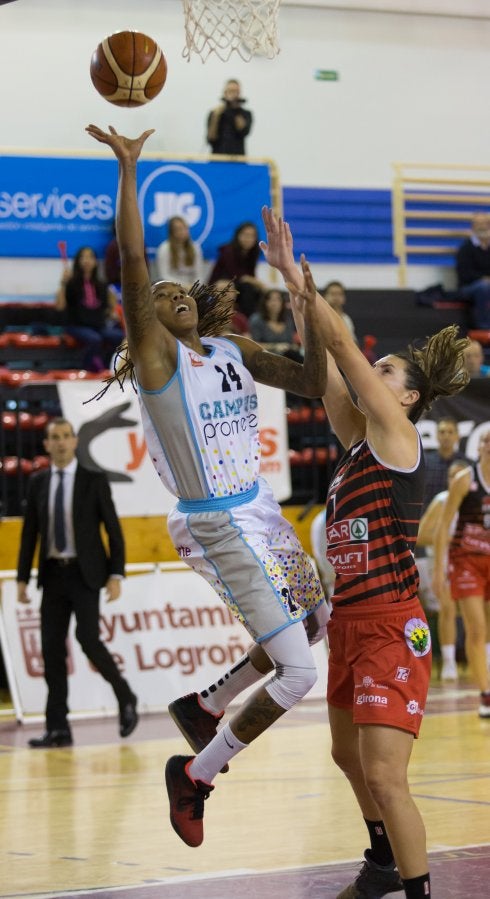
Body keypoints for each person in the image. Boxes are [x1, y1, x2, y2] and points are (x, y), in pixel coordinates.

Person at [84, 124, 329, 850]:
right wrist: (130, 170)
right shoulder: (158, 365)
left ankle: (204, 702)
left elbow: (315, 382)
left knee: (315, 623)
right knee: (298, 673)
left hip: (260, 507)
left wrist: (298, 289)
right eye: (157, 294)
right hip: (218, 521)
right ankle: (196, 773)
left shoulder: (231, 349)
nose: (171, 292)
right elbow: (133, 261)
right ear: (146, 321)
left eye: (177, 287)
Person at [260, 205, 470, 899]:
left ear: (406, 396)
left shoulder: (399, 442)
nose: (371, 372)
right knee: (346, 756)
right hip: (349, 622)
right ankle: (382, 861)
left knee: (385, 773)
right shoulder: (356, 444)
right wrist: (296, 301)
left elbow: (345, 352)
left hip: (390, 623)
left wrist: (302, 279)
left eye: (386, 371)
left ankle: (416, 889)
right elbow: (326, 370)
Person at [16, 417, 138, 748]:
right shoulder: (38, 482)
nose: (59, 442)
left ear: (74, 441)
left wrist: (116, 574)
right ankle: (58, 728)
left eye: (65, 436)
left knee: (88, 639)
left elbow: (113, 530)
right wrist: (22, 579)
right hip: (53, 575)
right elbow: (30, 536)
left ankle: (125, 696)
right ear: (45, 444)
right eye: (53, 437)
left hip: (86, 575)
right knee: (51, 650)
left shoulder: (93, 480)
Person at [432, 429, 490, 719]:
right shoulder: (464, 480)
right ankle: (485, 695)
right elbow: (443, 527)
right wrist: (439, 568)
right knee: (476, 627)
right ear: (479, 447)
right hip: (467, 560)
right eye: (486, 440)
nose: (489, 445)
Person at [416, 459, 471, 681]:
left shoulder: (476, 501)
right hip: (442, 562)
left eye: (459, 475)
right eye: (451, 476)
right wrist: (449, 538)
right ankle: (449, 662)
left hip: (469, 563)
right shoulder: (441, 501)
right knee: (447, 609)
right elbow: (420, 535)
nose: (455, 480)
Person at [56, 245, 125, 371]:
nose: (87, 260)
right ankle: (87, 368)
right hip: (75, 325)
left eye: (90, 257)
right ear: (78, 261)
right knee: (94, 339)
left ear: (95, 262)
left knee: (119, 336)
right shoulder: (71, 283)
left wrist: (113, 311)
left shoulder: (101, 284)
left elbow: (108, 309)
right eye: (83, 257)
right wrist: (63, 284)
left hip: (97, 326)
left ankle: (107, 364)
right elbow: (60, 306)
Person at [208, 221, 265, 317]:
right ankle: (248, 321)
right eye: (245, 235)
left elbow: (250, 276)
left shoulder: (252, 253)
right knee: (248, 288)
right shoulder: (228, 250)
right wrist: (258, 283)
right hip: (221, 285)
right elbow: (237, 276)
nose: (248, 239)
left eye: (252, 236)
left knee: (261, 293)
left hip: (239, 287)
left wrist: (258, 285)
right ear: (238, 235)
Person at [456, 212, 490, 329]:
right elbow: (464, 274)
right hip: (468, 287)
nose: (482, 226)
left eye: (485, 223)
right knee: (483, 287)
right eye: (478, 224)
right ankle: (484, 327)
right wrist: (483, 278)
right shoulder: (466, 248)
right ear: (473, 227)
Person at [155, 215, 208, 289]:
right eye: (179, 229)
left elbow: (199, 274)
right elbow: (164, 275)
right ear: (172, 232)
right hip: (172, 289)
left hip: (192, 288)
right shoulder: (164, 248)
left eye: (185, 228)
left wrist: (194, 287)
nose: (183, 231)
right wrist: (182, 287)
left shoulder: (195, 247)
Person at [248, 287, 300, 357]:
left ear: (282, 303)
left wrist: (294, 346)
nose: (274, 303)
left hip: (288, 357)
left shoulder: (288, 320)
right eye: (271, 300)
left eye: (278, 300)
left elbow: (291, 342)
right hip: (265, 356)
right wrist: (275, 346)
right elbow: (253, 344)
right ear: (265, 302)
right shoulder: (257, 320)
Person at [206, 79, 252, 156]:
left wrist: (234, 109)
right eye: (230, 91)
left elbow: (244, 131)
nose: (232, 94)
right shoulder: (215, 113)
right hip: (217, 158)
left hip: (238, 159)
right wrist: (216, 117)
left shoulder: (245, 114)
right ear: (225, 93)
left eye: (235, 91)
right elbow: (210, 138)